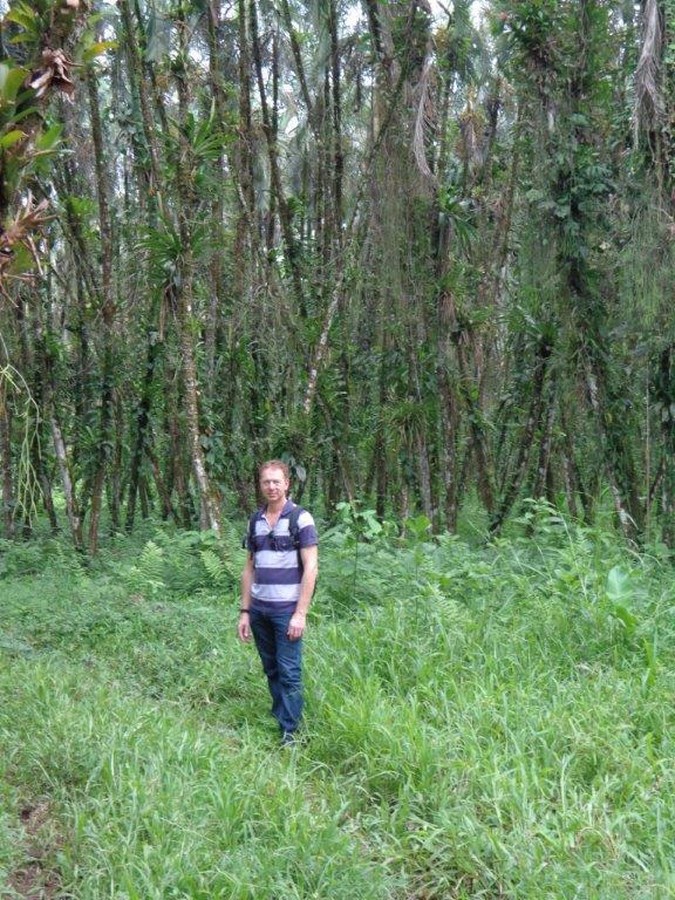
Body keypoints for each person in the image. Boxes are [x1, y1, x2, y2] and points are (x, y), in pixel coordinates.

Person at [238, 460, 319, 745]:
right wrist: (245, 611)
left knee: (289, 671)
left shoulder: (301, 518)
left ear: (287, 484)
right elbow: (249, 568)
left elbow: (311, 568)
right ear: (260, 486)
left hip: (287, 611)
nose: (271, 487)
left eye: (276, 481)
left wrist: (301, 614)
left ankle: (291, 732)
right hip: (259, 610)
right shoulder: (254, 521)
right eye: (266, 482)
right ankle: (280, 714)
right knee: (271, 668)